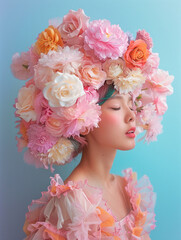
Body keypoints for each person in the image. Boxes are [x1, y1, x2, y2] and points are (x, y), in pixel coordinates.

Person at [11, 8, 173, 240]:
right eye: (116, 107)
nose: (131, 116)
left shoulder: (127, 186)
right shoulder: (72, 201)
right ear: (84, 119)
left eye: (131, 105)